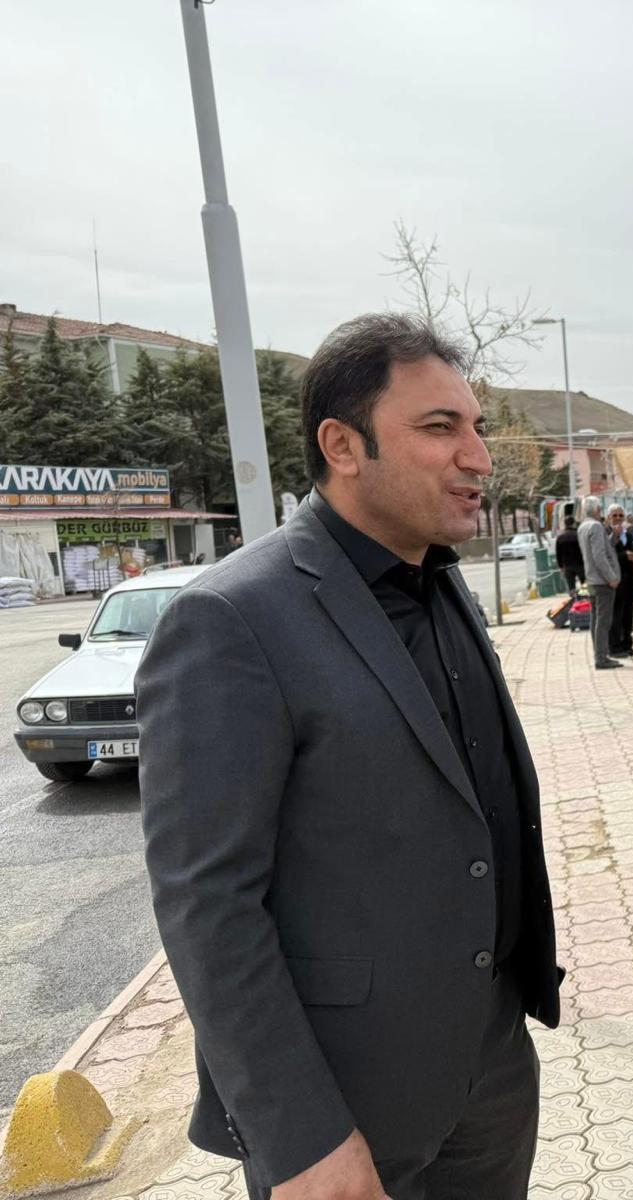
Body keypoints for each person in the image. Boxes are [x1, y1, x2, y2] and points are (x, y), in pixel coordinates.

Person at [137, 313, 562, 1200]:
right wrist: (300, 1138)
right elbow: (208, 903)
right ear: (342, 444)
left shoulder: (442, 583)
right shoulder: (232, 621)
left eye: (476, 427)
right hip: (348, 1112)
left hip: (490, 1078)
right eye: (441, 428)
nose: (479, 457)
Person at [577, 496, 622, 671]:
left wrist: (613, 537)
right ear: (596, 509)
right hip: (602, 581)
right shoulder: (595, 526)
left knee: (596, 619)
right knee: (603, 621)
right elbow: (599, 555)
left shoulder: (584, 526)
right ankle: (601, 657)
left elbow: (603, 548)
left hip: (592, 580)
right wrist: (611, 577)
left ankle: (600, 654)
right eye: (600, 509)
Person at [607, 504, 633, 657]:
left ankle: (627, 644)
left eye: (621, 515)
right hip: (615, 582)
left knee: (628, 616)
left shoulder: (629, 534)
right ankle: (615, 647)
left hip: (629, 581)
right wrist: (624, 556)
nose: (618, 518)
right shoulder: (606, 535)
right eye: (615, 515)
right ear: (609, 518)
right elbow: (606, 557)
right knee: (615, 617)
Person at [554, 516, 584, 598]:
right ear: (574, 523)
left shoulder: (560, 538)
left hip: (567, 565)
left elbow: (558, 553)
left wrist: (561, 566)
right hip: (580, 564)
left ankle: (574, 601)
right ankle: (586, 601)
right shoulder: (578, 535)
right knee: (584, 584)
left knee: (571, 586)